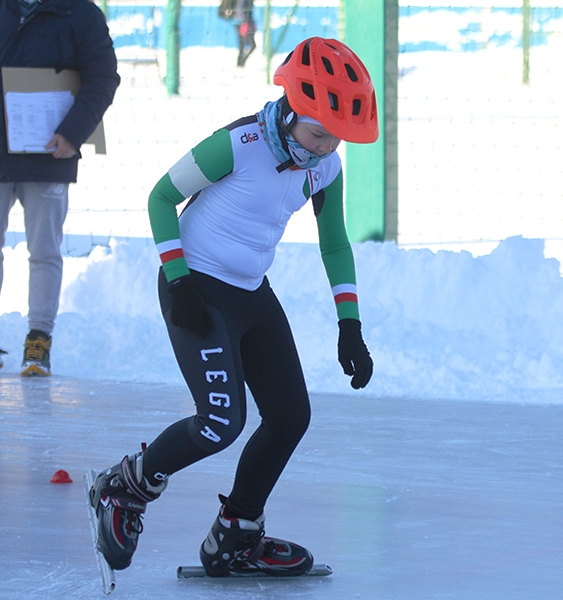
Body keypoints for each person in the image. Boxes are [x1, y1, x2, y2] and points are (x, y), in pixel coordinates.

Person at [88, 37, 378, 577]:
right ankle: (122, 488)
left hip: (249, 291)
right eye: (317, 132)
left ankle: (237, 534)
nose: (322, 148)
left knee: (291, 416)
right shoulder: (239, 144)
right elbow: (159, 198)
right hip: (195, 284)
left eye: (336, 139)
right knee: (221, 421)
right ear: (290, 110)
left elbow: (334, 242)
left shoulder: (325, 166)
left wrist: (350, 324)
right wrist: (178, 282)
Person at [0, 0, 119, 376]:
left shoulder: (80, 12)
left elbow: (103, 77)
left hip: (48, 152)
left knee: (45, 249)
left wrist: (74, 132)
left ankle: (39, 340)